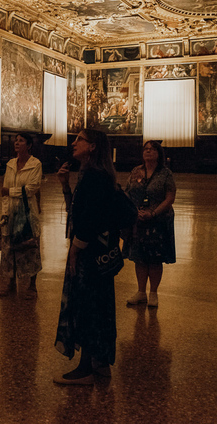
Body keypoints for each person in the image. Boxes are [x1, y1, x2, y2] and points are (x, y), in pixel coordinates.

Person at [54, 129, 121, 385]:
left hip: (90, 251)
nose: (74, 143)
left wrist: (75, 248)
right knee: (99, 304)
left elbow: (90, 218)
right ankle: (100, 363)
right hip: (96, 250)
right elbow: (78, 211)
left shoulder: (94, 175)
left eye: (79, 139)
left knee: (87, 306)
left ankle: (86, 370)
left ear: (92, 147)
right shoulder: (93, 173)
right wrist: (65, 187)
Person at [125, 141, 177, 308]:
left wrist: (153, 213)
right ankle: (141, 292)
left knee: (155, 258)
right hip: (138, 220)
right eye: (146, 149)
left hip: (158, 220)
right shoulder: (136, 171)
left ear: (158, 153)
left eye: (152, 149)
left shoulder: (165, 174)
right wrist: (134, 211)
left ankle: (153, 293)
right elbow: (128, 192)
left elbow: (170, 198)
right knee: (139, 257)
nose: (148, 152)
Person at [0, 132, 42, 298]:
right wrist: (3, 214)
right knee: (9, 250)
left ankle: (32, 285)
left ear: (29, 145)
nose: (17, 143)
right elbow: (3, 192)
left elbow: (32, 189)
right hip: (10, 212)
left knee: (30, 247)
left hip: (27, 213)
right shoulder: (10, 164)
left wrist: (10, 191)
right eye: (16, 140)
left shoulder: (35, 164)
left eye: (21, 141)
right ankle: (10, 282)